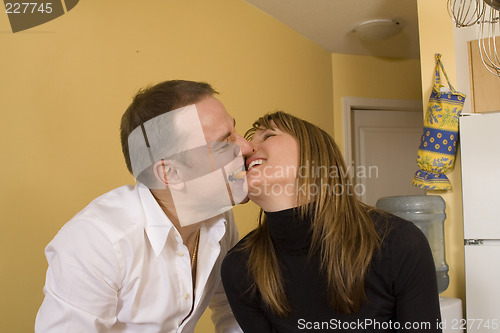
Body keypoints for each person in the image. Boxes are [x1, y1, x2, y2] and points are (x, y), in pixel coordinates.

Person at [35, 80, 250, 332]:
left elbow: (231, 306)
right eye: (225, 143)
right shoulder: (95, 241)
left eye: (235, 131)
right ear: (170, 173)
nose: (246, 147)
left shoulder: (218, 215)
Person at [221, 111, 442, 332]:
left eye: (268, 136)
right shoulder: (240, 267)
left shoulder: (398, 243)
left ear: (313, 157)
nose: (247, 148)